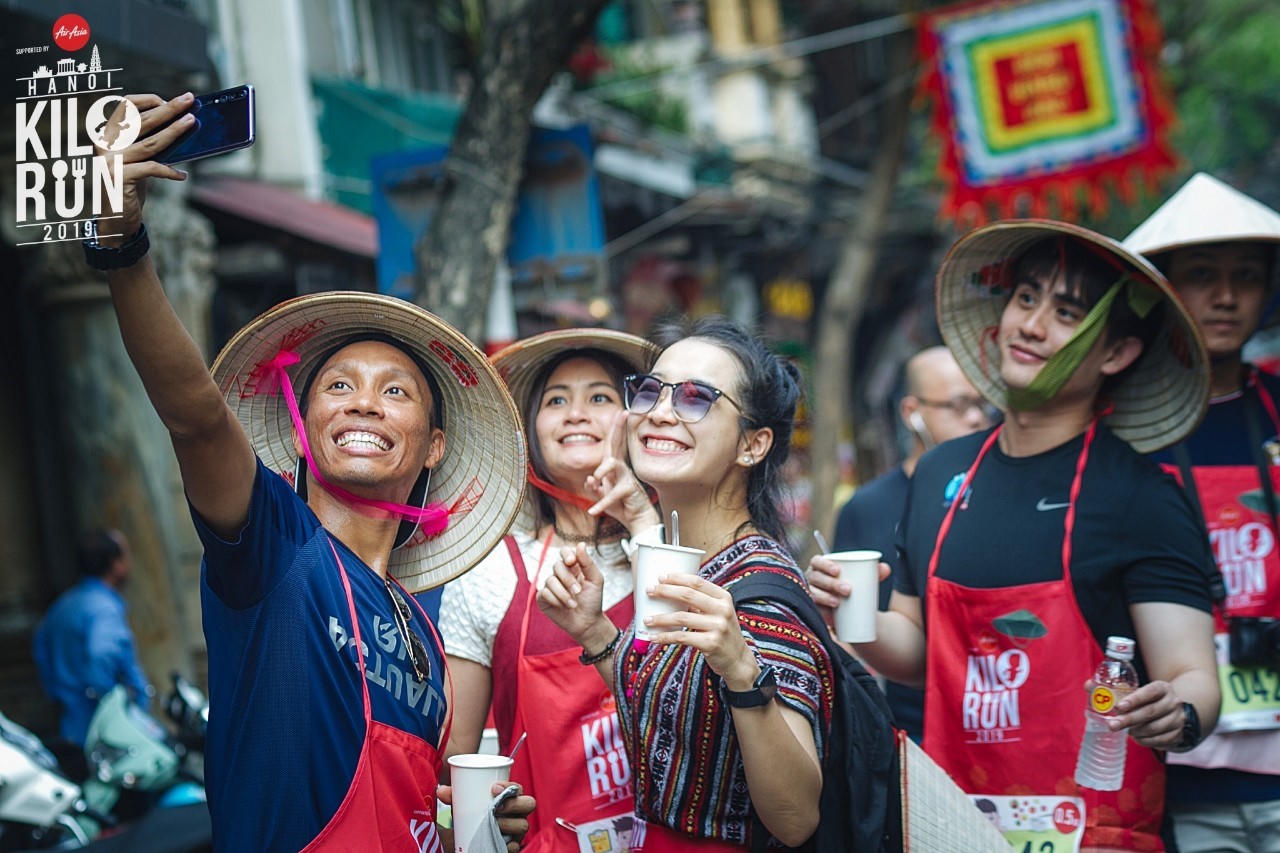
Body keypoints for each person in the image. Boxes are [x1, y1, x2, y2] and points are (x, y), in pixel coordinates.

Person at [84, 93, 533, 852]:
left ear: (433, 447)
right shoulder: (275, 544)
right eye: (338, 385)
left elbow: (405, 810)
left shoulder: (425, 632)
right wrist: (123, 248)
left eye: (396, 392)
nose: (364, 403)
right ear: (303, 429)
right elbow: (196, 417)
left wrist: (470, 830)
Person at [844, 220, 1221, 851]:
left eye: (1066, 313)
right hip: (957, 826)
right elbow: (916, 651)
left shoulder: (1139, 495)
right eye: (1025, 299)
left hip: (1094, 832)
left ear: (1116, 354)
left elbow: (1192, 675)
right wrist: (850, 612)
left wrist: (1174, 713)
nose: (1032, 325)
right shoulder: (942, 472)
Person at [539, 316, 834, 851]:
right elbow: (671, 717)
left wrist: (742, 671)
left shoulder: (759, 592)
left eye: (696, 397)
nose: (660, 412)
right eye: (650, 390)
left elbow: (795, 819)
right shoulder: (692, 563)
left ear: (753, 445)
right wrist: (596, 633)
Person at [440, 329, 661, 853]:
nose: (575, 414)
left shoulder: (669, 547)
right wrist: (475, 827)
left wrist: (642, 522)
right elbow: (453, 759)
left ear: (636, 422)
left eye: (599, 398)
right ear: (531, 433)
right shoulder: (489, 568)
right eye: (556, 400)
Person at [1124, 172, 1280, 852]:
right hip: (1172, 770)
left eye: (1246, 276)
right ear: (1161, 288)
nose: (1225, 296)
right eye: (1202, 275)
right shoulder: (1118, 426)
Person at [812, 345, 992, 742]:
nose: (976, 418)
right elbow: (854, 634)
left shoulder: (995, 495)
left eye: (982, 404)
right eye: (959, 405)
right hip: (905, 721)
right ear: (912, 412)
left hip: (992, 706)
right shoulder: (867, 506)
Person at [33, 529, 152, 746]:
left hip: (71, 725)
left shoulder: (62, 606)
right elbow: (102, 654)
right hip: (109, 733)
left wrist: (60, 696)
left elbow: (41, 652)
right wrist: (112, 702)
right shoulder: (104, 608)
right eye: (126, 556)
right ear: (115, 564)